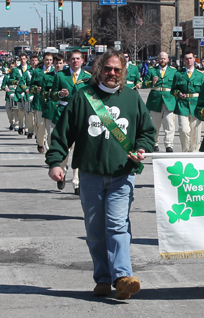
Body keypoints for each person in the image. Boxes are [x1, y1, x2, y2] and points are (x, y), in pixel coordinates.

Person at [45, 48, 155, 300]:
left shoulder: (131, 98)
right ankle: (103, 278)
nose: (112, 73)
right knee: (95, 231)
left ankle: (122, 277)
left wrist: (142, 148)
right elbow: (63, 134)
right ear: (98, 70)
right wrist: (55, 162)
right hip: (90, 174)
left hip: (122, 174)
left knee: (117, 225)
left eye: (117, 70)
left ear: (123, 72)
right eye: (107, 69)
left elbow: (147, 132)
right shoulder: (83, 97)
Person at [50, 49, 92, 195]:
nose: (75, 61)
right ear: (68, 61)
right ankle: (61, 172)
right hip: (63, 114)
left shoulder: (88, 77)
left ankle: (77, 181)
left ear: (82, 61)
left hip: (81, 117)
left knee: (79, 149)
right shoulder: (61, 75)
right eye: (73, 59)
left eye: (78, 59)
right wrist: (59, 94)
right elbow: (52, 95)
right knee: (65, 148)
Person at [170, 51, 204, 152]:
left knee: (196, 132)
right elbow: (173, 89)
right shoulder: (178, 74)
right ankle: (185, 151)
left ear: (194, 59)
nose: (188, 60)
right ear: (183, 60)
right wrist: (178, 94)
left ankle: (194, 153)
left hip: (196, 104)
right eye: (186, 58)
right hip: (183, 105)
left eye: (190, 58)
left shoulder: (200, 75)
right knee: (183, 130)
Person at [143, 52, 177, 152]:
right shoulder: (151, 70)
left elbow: (177, 85)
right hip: (155, 100)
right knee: (155, 123)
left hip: (169, 100)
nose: (162, 60)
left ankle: (169, 145)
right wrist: (151, 82)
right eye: (161, 58)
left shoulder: (173, 71)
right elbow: (144, 83)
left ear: (168, 60)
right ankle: (154, 142)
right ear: (158, 59)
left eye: (164, 58)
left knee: (169, 123)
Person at [29, 52, 53, 153]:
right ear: (43, 60)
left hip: (50, 102)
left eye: (50, 60)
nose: (48, 62)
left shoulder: (55, 72)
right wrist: (36, 89)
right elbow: (31, 86)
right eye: (47, 60)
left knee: (50, 127)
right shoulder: (37, 71)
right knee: (40, 124)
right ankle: (40, 142)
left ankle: (48, 145)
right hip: (39, 102)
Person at [41, 53, 65, 153]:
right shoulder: (47, 77)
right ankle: (53, 155)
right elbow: (42, 93)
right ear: (53, 64)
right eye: (56, 63)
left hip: (63, 109)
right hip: (51, 108)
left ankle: (62, 156)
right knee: (51, 134)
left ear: (64, 63)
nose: (58, 65)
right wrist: (48, 94)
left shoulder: (66, 76)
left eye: (60, 63)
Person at [10, 53, 33, 136]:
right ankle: (20, 125)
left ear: (27, 59)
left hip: (28, 93)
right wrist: (16, 82)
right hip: (19, 93)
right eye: (21, 59)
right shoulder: (16, 70)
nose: (22, 60)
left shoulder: (31, 69)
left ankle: (27, 128)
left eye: (24, 58)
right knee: (20, 112)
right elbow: (10, 80)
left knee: (28, 111)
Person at [2, 61, 20, 131]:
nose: (12, 68)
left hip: (15, 94)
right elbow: (2, 86)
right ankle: (11, 123)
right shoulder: (7, 76)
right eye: (11, 67)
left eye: (13, 67)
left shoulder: (17, 77)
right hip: (8, 96)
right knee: (9, 111)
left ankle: (17, 124)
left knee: (16, 110)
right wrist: (5, 88)